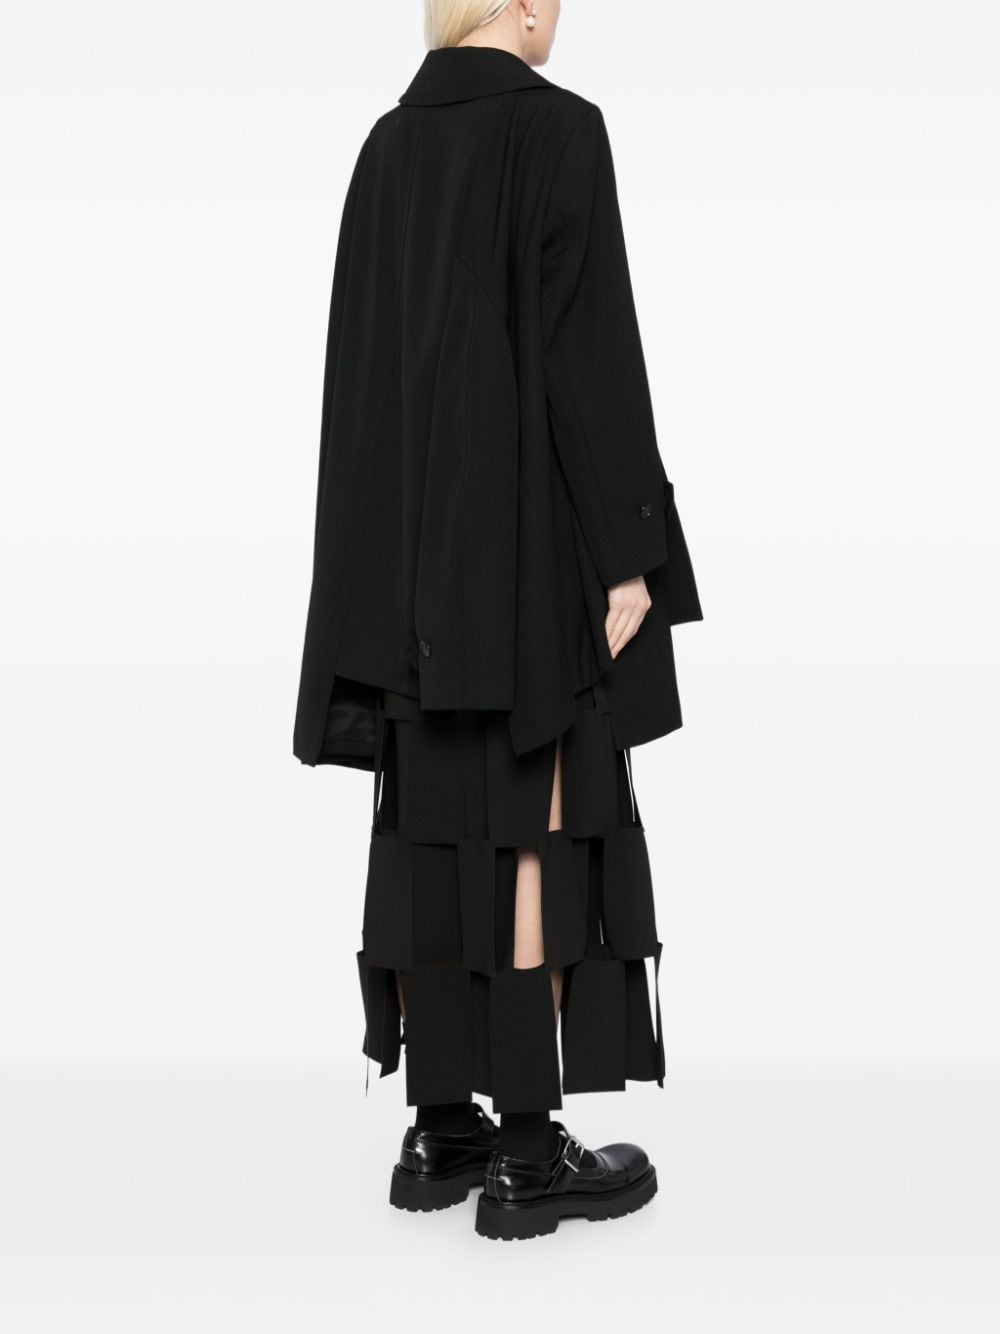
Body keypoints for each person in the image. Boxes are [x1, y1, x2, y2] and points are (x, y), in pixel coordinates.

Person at [293, 0, 703, 1241]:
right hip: (528, 562)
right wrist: (630, 552)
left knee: (430, 829)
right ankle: (526, 1149)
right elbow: (590, 358)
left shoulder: (386, 147)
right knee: (535, 824)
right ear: (521, 3)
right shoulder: (559, 131)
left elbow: (360, 377)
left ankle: (440, 1129)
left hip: (410, 574)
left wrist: (363, 590)